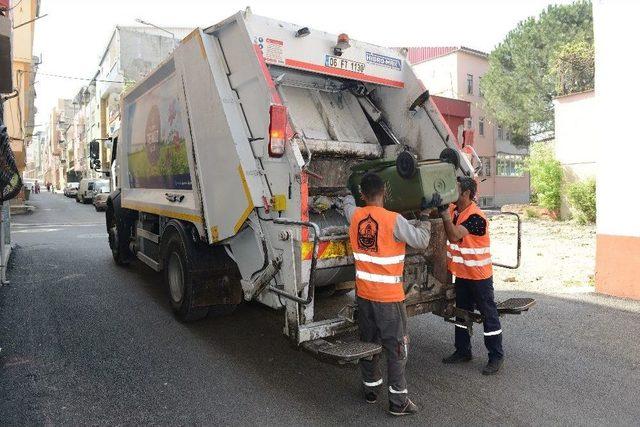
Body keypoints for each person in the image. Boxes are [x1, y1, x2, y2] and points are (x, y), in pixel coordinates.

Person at [341, 172, 431, 416]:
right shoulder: (394, 220)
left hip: (364, 296)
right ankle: (398, 402)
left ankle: (370, 390)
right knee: (397, 348)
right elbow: (422, 240)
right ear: (386, 192)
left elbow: (347, 203)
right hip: (389, 299)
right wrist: (424, 216)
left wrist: (347, 190)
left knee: (369, 343)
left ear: (362, 195)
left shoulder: (355, 215)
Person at [437, 177, 504, 375]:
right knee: (462, 312)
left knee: (488, 315)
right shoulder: (454, 210)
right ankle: (463, 351)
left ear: (465, 193)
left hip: (479, 276)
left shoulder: (476, 218)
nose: (451, 192)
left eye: (455, 189)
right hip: (463, 274)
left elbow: (454, 235)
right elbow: (436, 213)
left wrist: (443, 214)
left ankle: (496, 356)